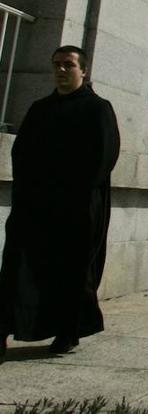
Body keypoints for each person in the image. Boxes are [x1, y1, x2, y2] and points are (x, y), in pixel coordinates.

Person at [0, 45, 119, 358]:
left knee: (71, 272)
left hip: (76, 209)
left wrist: (71, 192)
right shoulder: (40, 108)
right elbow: (22, 153)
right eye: (57, 65)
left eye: (69, 65)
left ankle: (67, 333)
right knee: (16, 266)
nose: (62, 70)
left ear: (84, 70)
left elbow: (102, 158)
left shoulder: (98, 109)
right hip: (35, 206)